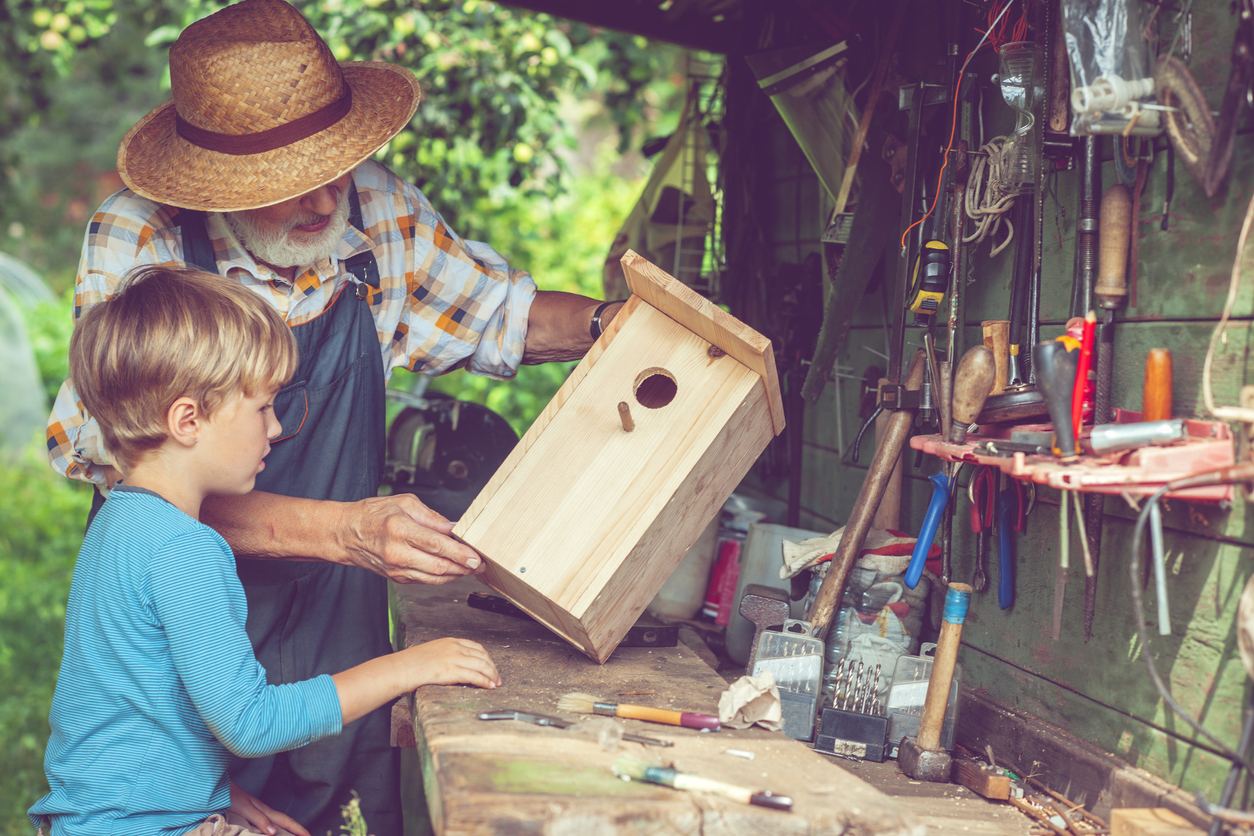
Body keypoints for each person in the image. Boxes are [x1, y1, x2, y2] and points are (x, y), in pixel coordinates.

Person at [43, 1, 624, 833]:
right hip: (200, 603)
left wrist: (617, 326)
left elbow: (496, 313)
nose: (325, 200)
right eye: (287, 184)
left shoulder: (372, 207)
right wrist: (349, 531)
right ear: (217, 184)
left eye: (337, 165)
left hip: (329, 620)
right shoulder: (142, 240)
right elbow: (115, 451)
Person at [30, 266, 502, 836]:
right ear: (188, 420)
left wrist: (215, 795)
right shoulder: (185, 549)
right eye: (262, 409)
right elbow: (252, 724)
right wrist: (409, 666)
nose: (276, 429)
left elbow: (127, 707)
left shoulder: (120, 525)